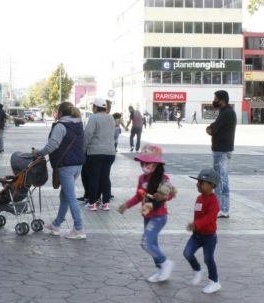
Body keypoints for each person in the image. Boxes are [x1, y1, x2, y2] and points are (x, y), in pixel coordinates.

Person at [118, 144, 175, 282]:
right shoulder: (142, 178)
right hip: (147, 217)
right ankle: (161, 270)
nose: (144, 165)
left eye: (147, 162)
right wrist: (126, 205)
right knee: (152, 244)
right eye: (142, 163)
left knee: (146, 243)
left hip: (159, 216)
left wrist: (163, 196)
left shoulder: (164, 179)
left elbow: (170, 194)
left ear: (156, 163)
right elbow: (139, 196)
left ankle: (165, 263)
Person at [36, 102, 86, 239]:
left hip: (66, 166)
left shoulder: (60, 126)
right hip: (77, 165)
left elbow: (52, 145)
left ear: (61, 112)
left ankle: (79, 228)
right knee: (64, 196)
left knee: (70, 197)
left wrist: (40, 153)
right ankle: (57, 225)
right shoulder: (78, 124)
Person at [184, 168, 222, 294]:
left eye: (201, 183)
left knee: (208, 259)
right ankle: (197, 270)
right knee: (187, 253)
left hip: (209, 237)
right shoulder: (199, 198)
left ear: (211, 185)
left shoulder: (214, 202)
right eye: (198, 182)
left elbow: (209, 218)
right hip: (197, 235)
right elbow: (198, 215)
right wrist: (195, 226)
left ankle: (214, 282)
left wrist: (196, 224)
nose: (198, 185)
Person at [206, 90, 236, 218]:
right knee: (218, 179)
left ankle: (223, 209)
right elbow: (213, 128)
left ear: (222, 100)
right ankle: (218, 207)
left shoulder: (227, 113)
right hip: (220, 150)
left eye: (216, 98)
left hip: (222, 151)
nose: (214, 101)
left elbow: (213, 128)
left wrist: (210, 129)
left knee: (221, 179)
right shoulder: (225, 112)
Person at [83, 98, 116, 211]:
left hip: (95, 153)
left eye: (93, 107)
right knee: (105, 178)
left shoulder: (93, 117)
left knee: (94, 178)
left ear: (96, 107)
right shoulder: (111, 118)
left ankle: (92, 203)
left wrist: (83, 148)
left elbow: (87, 134)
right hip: (110, 153)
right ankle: (105, 203)